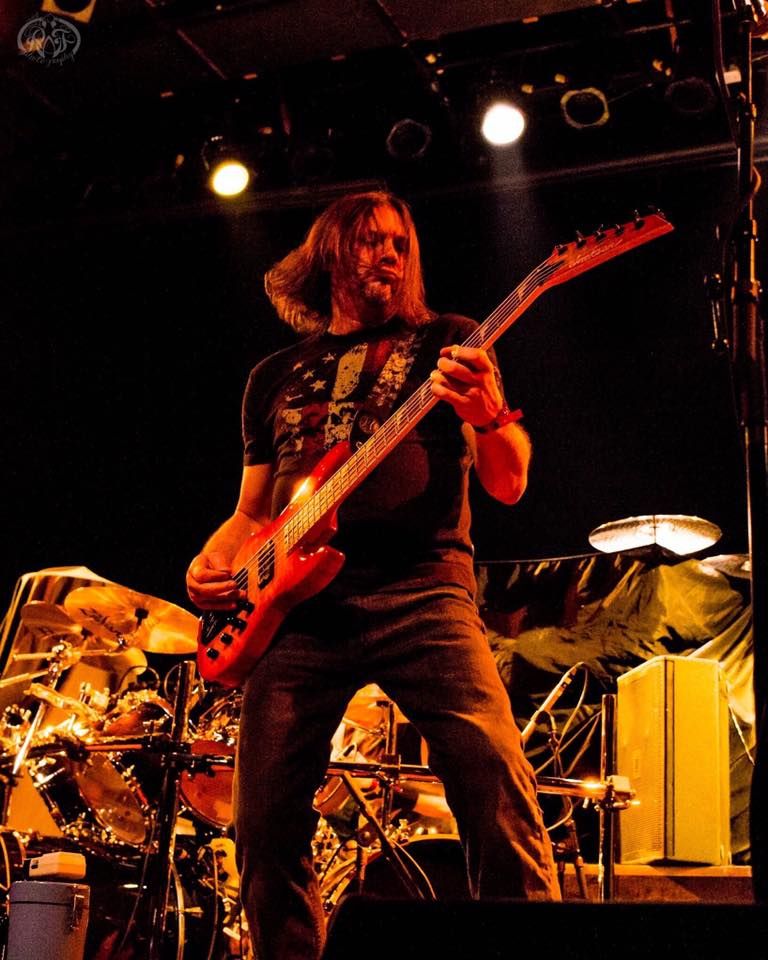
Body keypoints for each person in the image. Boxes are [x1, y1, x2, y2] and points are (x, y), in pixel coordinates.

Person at [185, 191, 561, 960]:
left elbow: (510, 483)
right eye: (368, 241)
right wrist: (210, 563)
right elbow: (251, 511)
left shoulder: (450, 342)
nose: (388, 254)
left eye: (399, 242)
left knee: (494, 781)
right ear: (329, 254)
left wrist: (490, 416)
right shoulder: (273, 375)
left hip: (423, 593)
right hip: (299, 616)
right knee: (263, 820)